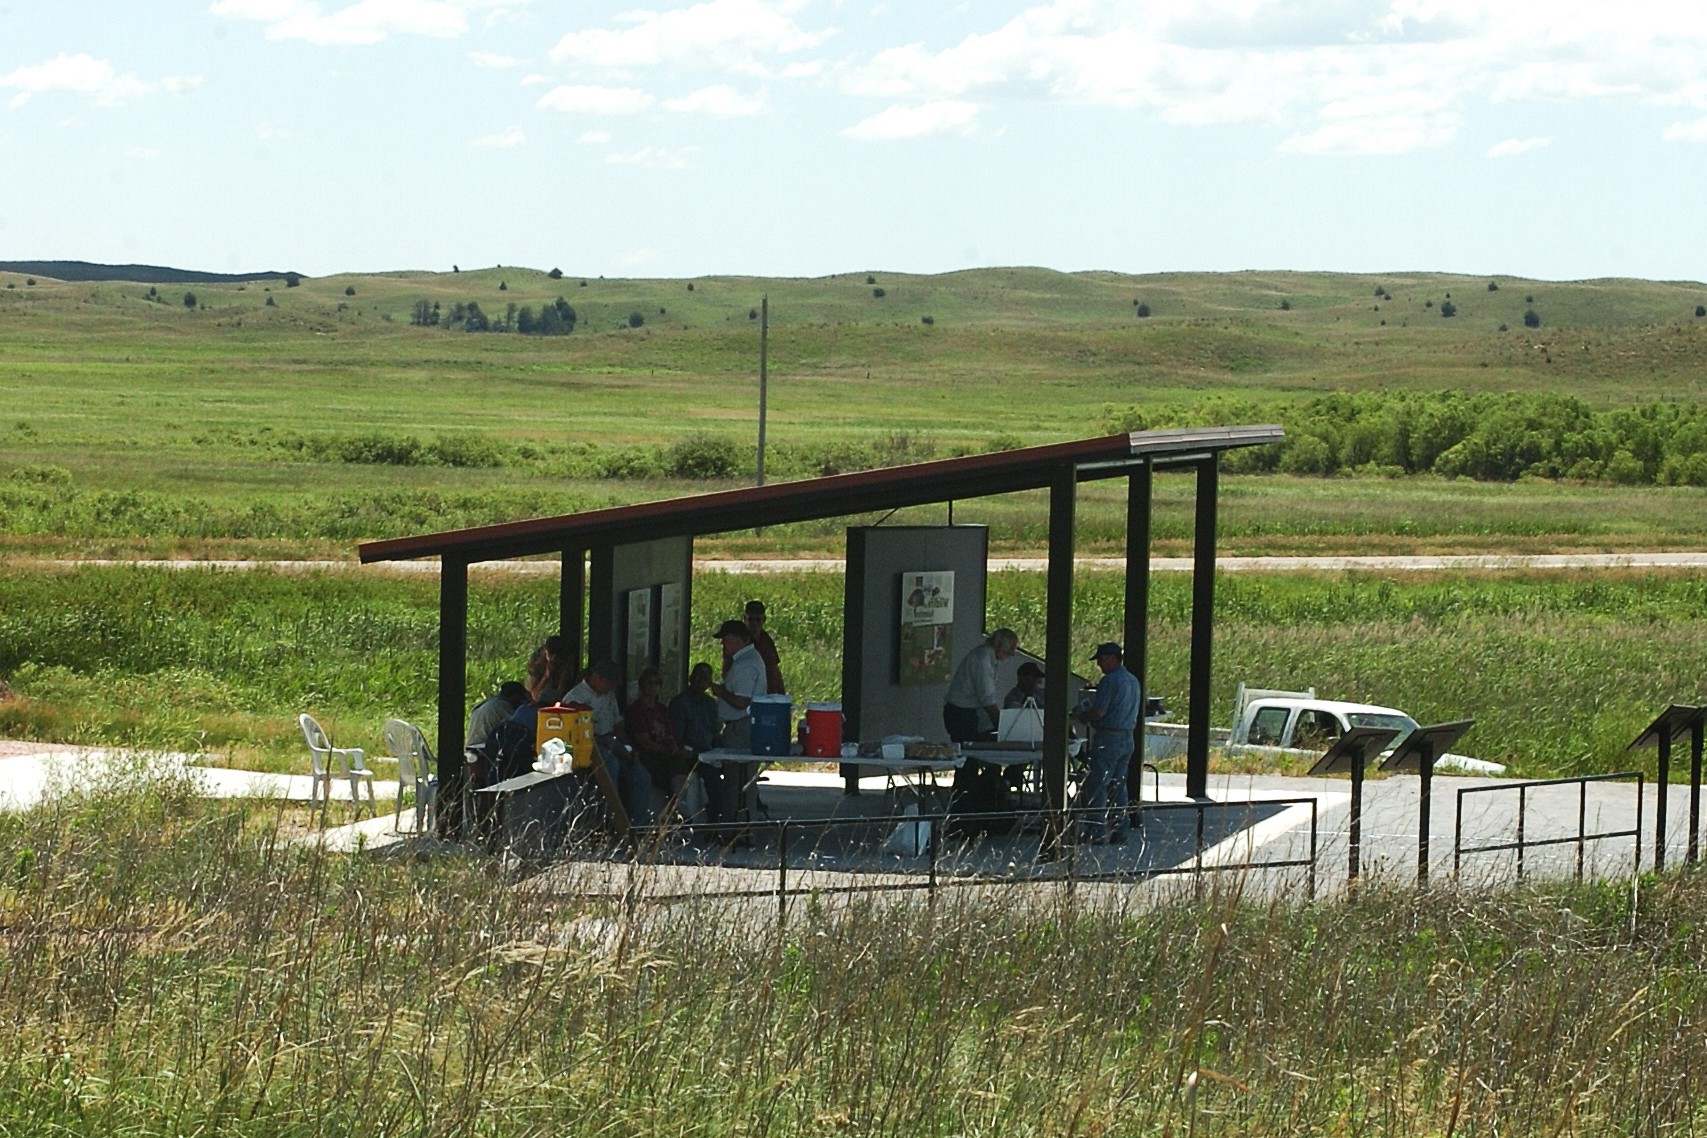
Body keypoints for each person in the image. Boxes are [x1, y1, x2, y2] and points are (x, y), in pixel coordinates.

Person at [564, 660, 654, 828]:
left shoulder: (609, 695)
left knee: (641, 775)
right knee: (611, 767)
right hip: (590, 744)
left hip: (611, 739)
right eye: (609, 683)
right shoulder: (575, 697)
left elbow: (617, 724)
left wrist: (628, 746)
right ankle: (607, 822)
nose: (611, 687)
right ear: (597, 678)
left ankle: (638, 824)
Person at [943, 629, 1019, 825]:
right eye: (1010, 650)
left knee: (974, 761)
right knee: (967, 763)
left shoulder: (988, 658)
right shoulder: (982, 659)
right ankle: (961, 813)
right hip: (961, 714)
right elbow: (987, 700)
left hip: (970, 713)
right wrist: (1003, 727)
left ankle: (973, 808)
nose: (1010, 656)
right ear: (1000, 645)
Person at [701, 619, 769, 825]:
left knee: (735, 781)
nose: (724, 645)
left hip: (741, 726)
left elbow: (741, 701)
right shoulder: (746, 660)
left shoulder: (745, 665)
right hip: (743, 724)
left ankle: (733, 826)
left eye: (727, 641)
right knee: (742, 781)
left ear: (741, 640)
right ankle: (742, 826)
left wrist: (719, 690)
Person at [1078, 642, 1141, 844]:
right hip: (1127, 737)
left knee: (1097, 784)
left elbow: (1099, 712)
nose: (1099, 664)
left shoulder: (1109, 681)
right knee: (1118, 784)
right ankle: (1120, 829)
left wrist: (1082, 715)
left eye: (1101, 660)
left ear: (1111, 658)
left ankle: (1095, 832)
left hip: (1108, 737)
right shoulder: (1132, 680)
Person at [626, 666, 695, 800]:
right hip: (647, 756)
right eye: (649, 683)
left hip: (667, 754)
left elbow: (670, 734)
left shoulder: (662, 709)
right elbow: (644, 742)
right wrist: (666, 750)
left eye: (657, 683)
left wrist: (675, 748)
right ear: (641, 685)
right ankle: (674, 805)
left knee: (685, 764)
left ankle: (681, 806)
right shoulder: (636, 710)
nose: (653, 687)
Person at [669, 662, 720, 755]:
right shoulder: (679, 703)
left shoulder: (711, 703)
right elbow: (676, 736)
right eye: (698, 677)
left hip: (709, 753)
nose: (701, 681)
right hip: (687, 753)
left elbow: (715, 732)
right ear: (690, 678)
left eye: (705, 678)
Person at [466, 680, 530, 750]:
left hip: (472, 747)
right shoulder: (501, 705)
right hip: (482, 748)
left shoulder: (489, 703)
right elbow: (519, 727)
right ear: (515, 696)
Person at [744, 600, 786, 695]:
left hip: (767, 692)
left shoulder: (766, 640)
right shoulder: (739, 641)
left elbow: (774, 668)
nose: (754, 624)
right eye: (750, 619)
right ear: (744, 619)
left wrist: (781, 695)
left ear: (764, 620)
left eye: (758, 620)